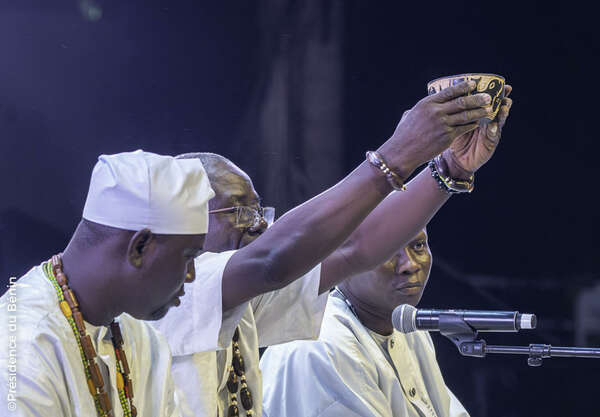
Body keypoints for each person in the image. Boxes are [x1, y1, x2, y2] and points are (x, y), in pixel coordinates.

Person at [153, 82, 513, 416]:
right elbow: (291, 256)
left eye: (260, 211)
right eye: (241, 212)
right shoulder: (181, 294)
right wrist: (400, 151)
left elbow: (353, 251)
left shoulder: (242, 304)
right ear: (185, 224)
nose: (260, 225)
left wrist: (449, 168)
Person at [0, 150, 214, 417]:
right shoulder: (22, 349)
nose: (191, 275)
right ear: (140, 247)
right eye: (189, 257)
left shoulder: (143, 339)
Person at [260, 229, 469, 417]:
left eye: (418, 246)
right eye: (387, 251)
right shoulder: (319, 346)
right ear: (342, 259)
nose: (410, 265)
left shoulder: (406, 326)